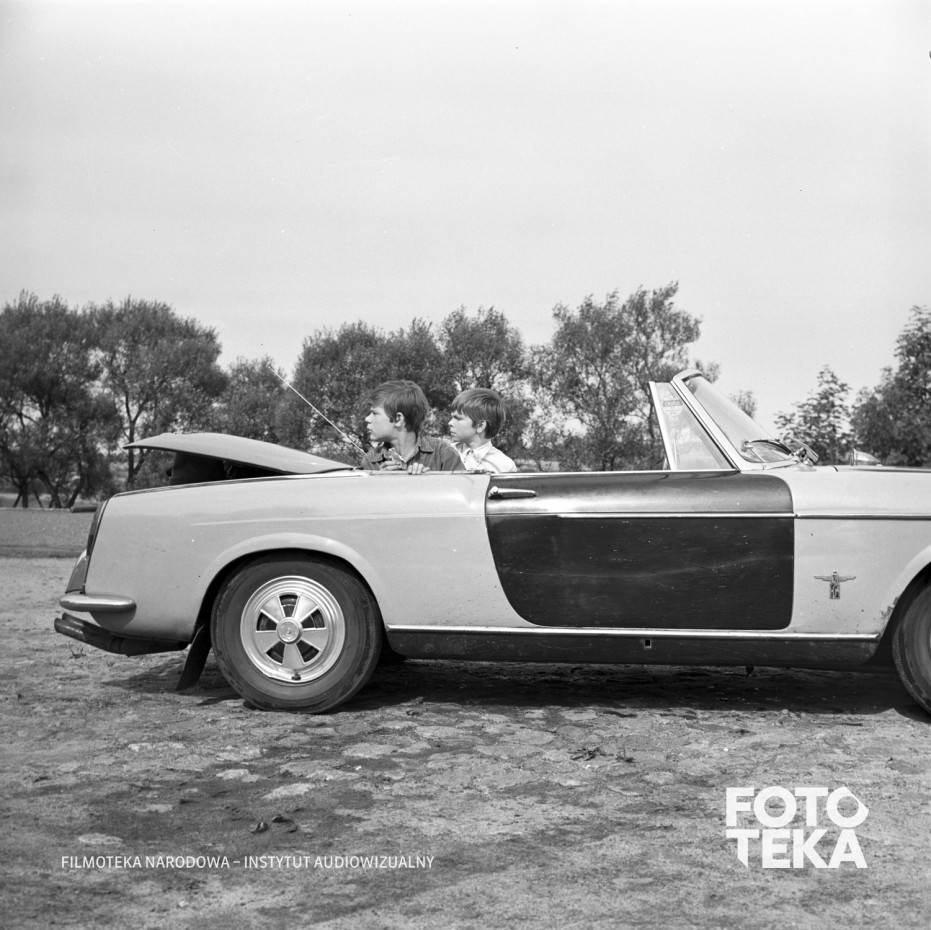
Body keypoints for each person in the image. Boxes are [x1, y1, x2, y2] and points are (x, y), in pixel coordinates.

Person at [361, 380, 462, 473]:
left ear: (398, 419)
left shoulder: (442, 454)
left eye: (374, 413)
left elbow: (465, 485)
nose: (367, 419)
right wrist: (379, 480)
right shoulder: (370, 461)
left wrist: (429, 480)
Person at [448, 388, 518, 473]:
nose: (450, 423)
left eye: (457, 418)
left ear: (480, 425)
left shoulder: (505, 466)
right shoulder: (444, 454)